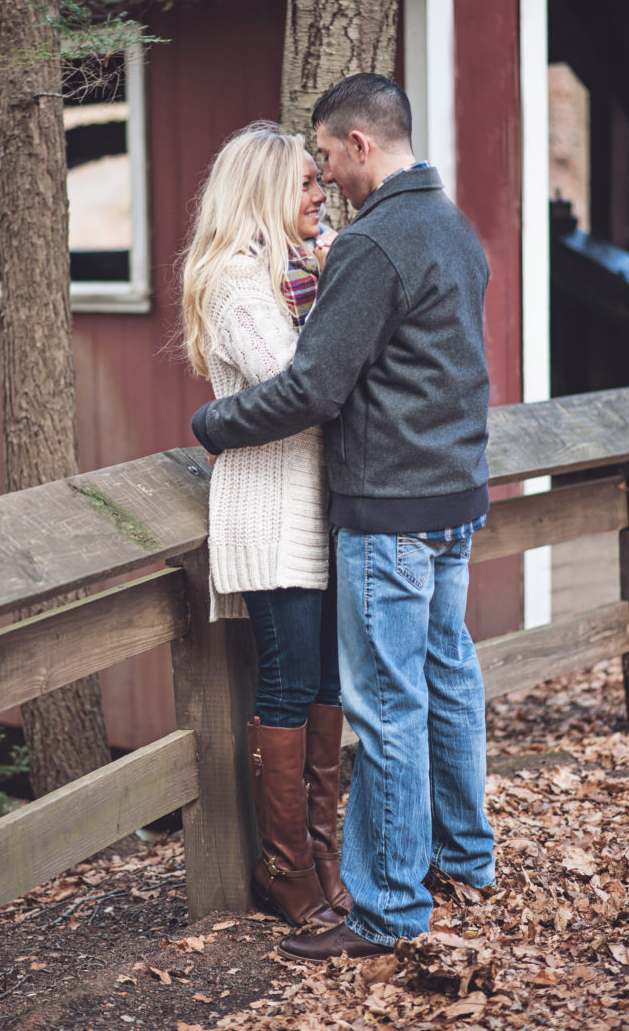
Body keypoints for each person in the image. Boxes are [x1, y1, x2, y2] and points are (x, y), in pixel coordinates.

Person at [190, 75, 496, 962]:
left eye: (325, 157)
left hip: (389, 506)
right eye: (306, 172)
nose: (322, 177)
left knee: (388, 703)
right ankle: (462, 858)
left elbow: (316, 385)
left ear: (360, 145)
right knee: (446, 681)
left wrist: (211, 424)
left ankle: (390, 906)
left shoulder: (372, 244)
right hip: (452, 496)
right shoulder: (451, 226)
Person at [181, 121, 350, 929]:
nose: (322, 197)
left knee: (324, 684)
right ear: (269, 192)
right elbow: (299, 381)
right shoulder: (238, 283)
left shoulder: (295, 272)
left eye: (322, 183)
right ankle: (283, 870)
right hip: (270, 512)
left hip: (313, 507)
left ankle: (320, 855)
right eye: (308, 186)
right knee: (287, 684)